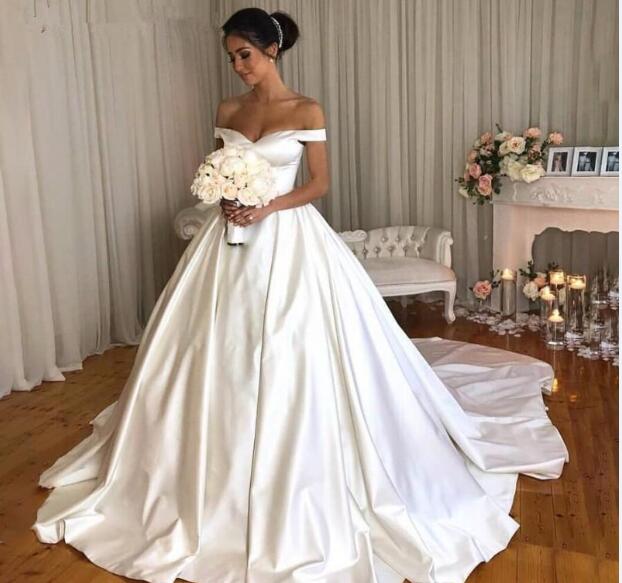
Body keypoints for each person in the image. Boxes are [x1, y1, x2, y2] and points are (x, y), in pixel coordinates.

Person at [32, 8, 568, 583]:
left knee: (294, 344)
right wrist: (226, 198)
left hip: (287, 238)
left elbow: (318, 183)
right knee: (212, 347)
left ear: (272, 50)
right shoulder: (227, 111)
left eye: (245, 55)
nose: (238, 67)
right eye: (231, 57)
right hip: (227, 241)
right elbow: (221, 169)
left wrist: (266, 206)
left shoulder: (306, 110)